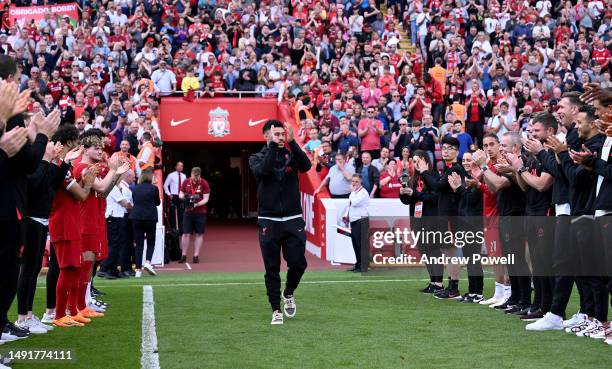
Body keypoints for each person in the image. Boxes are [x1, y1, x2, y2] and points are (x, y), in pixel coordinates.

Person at [249, 120, 311, 325]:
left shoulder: (291, 153)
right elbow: (263, 171)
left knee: (298, 263)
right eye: (276, 134)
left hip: (293, 217)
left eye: (282, 134)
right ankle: (276, 309)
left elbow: (307, 165)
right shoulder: (256, 157)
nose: (280, 137)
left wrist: (293, 143)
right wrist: (273, 148)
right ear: (266, 136)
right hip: (269, 219)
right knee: (272, 267)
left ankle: (289, 292)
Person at [98, 170, 134, 279]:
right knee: (114, 244)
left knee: (116, 245)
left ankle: (112, 270)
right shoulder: (113, 188)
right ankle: (104, 267)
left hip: (115, 218)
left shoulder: (115, 188)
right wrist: (134, 207)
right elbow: (124, 203)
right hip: (114, 218)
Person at [130, 169, 161, 278]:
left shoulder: (134, 188)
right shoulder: (154, 188)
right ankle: (148, 262)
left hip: (136, 217)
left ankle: (138, 269)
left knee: (139, 244)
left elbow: (133, 200)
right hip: (150, 217)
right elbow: (158, 202)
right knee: (151, 241)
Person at [179, 167, 210, 264]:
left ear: (199, 175)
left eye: (196, 177)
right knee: (185, 233)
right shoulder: (186, 181)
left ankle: (196, 255)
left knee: (199, 233)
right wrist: (185, 198)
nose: (194, 179)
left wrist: (196, 204)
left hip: (200, 212)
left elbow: (206, 199)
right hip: (188, 211)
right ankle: (183, 255)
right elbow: (180, 193)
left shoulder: (204, 183)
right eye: (193, 177)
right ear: (191, 174)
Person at [344, 173, 370, 273]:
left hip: (361, 220)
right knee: (355, 244)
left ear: (360, 182)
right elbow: (349, 205)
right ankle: (358, 264)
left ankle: (363, 266)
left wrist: (352, 192)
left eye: (356, 181)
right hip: (354, 220)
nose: (354, 183)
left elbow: (354, 202)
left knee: (361, 244)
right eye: (353, 181)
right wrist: (346, 215)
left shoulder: (363, 192)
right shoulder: (354, 192)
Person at [163, 161, 187, 233]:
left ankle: (181, 229)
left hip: (182, 196)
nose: (180, 167)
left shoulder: (184, 176)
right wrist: (169, 194)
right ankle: (173, 229)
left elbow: (185, 186)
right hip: (174, 196)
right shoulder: (171, 175)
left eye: (182, 166)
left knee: (182, 212)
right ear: (176, 167)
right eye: (179, 166)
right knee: (173, 212)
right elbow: (165, 185)